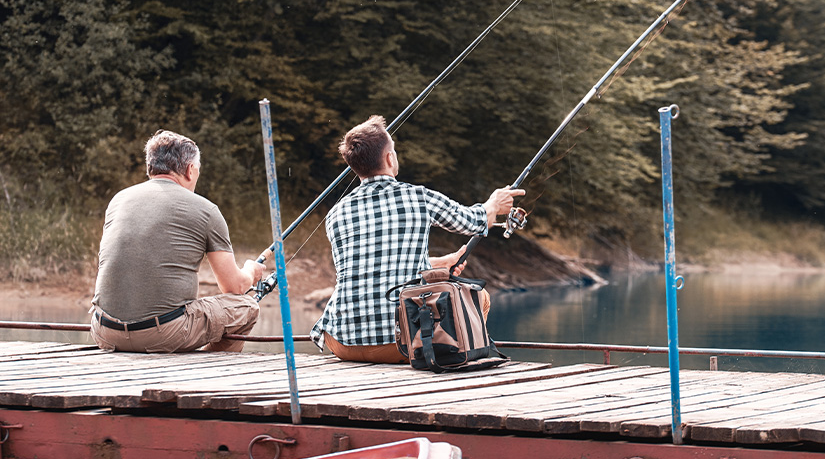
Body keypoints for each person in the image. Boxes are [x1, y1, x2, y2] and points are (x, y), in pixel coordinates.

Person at [310, 115, 524, 364]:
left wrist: (441, 263)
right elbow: (474, 221)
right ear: (390, 158)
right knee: (480, 296)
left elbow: (373, 265)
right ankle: (455, 354)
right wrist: (494, 204)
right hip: (400, 344)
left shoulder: (335, 213)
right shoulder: (418, 197)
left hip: (342, 342)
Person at [89, 130, 266, 353]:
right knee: (247, 307)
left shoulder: (119, 200)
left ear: (150, 167)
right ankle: (211, 371)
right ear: (191, 170)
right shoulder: (206, 210)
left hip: (105, 331)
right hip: (163, 334)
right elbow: (234, 287)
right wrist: (251, 270)